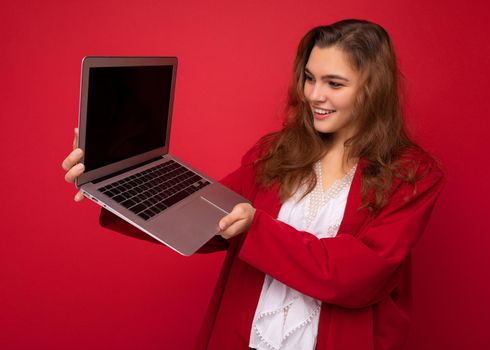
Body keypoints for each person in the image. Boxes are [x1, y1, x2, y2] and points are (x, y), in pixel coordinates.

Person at [62, 19, 444, 350]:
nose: (314, 95)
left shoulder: (412, 174)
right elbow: (206, 218)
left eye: (334, 83)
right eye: (309, 78)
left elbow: (361, 275)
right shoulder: (277, 152)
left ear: (371, 89)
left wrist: (255, 228)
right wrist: (111, 184)